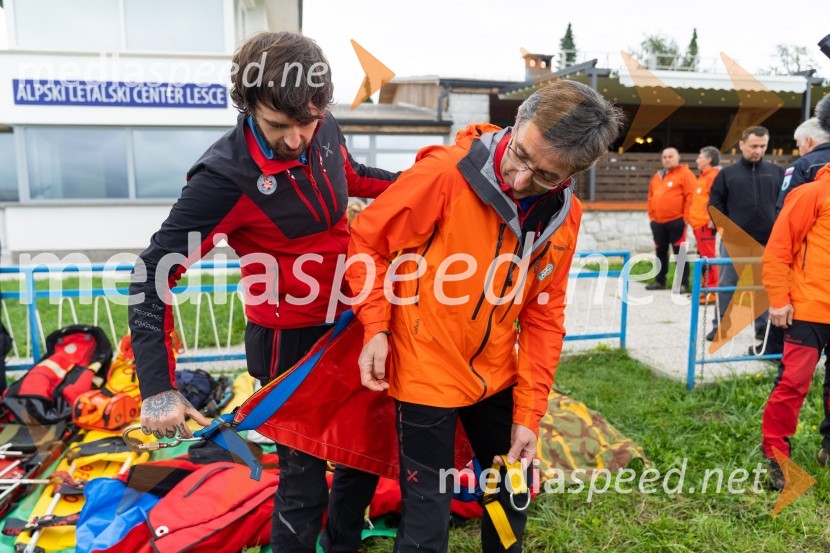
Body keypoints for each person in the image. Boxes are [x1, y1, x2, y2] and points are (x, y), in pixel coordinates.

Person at [129, 31, 399, 553]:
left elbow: (354, 175)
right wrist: (158, 387)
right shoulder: (222, 178)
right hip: (287, 341)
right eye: (279, 125)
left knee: (363, 448)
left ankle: (343, 544)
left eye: (308, 123)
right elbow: (152, 275)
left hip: (353, 320)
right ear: (247, 103)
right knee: (302, 480)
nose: (297, 139)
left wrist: (430, 183)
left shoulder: (319, 123)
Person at [346, 81, 624, 552]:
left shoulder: (566, 216)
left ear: (575, 174)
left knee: (510, 489)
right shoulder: (443, 175)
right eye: (520, 155)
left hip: (493, 371)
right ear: (515, 123)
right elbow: (368, 241)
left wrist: (530, 415)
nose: (519, 179)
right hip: (423, 367)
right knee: (427, 508)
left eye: (543, 176)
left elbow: (543, 314)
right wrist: (376, 326)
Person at [761, 161, 830, 490]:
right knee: (793, 383)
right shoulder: (812, 193)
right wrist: (778, 299)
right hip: (808, 309)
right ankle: (777, 456)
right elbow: (777, 250)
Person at [707, 126, 785, 355]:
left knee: (762, 289)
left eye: (762, 146)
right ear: (742, 145)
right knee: (727, 286)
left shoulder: (776, 172)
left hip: (766, 243)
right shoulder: (727, 174)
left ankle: (762, 328)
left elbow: (784, 204)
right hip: (734, 243)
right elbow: (714, 204)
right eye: (753, 146)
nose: (758, 151)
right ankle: (721, 326)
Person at [646, 147, 695, 293]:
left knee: (680, 253)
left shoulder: (685, 174)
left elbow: (691, 197)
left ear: (678, 157)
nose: (667, 159)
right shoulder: (658, 176)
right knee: (660, 252)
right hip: (658, 223)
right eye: (664, 157)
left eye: (670, 156)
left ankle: (682, 284)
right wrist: (652, 216)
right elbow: (650, 197)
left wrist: (685, 218)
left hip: (676, 221)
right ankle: (660, 281)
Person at [776, 113, 830, 213]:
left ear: (808, 141)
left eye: (799, 146)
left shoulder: (802, 165)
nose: (799, 152)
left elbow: (786, 206)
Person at [688, 146, 721, 304]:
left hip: (705, 225)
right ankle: (704, 289)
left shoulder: (713, 176)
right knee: (702, 258)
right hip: (697, 224)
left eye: (700, 157)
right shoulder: (703, 176)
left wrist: (713, 220)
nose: (697, 160)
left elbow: (717, 200)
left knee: (709, 259)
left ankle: (712, 292)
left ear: (708, 159)